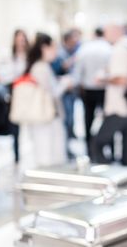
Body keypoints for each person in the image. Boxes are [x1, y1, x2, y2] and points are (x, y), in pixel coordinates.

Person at [91, 24, 127, 166]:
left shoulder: (120, 51)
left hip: (120, 106)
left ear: (116, 32)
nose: (105, 37)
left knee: (98, 143)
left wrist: (102, 79)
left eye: (106, 33)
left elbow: (123, 79)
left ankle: (107, 176)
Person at [22, 33, 71, 167]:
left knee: (50, 154)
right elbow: (52, 93)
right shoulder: (40, 67)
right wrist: (65, 83)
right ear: (44, 48)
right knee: (47, 156)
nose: (56, 52)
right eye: (53, 48)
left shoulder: (42, 66)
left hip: (49, 118)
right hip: (45, 118)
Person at [73, 27, 112, 157]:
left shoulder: (85, 48)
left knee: (88, 119)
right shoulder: (109, 48)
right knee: (107, 119)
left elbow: (78, 71)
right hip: (104, 89)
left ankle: (88, 149)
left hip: (88, 89)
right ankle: (108, 148)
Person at [52, 29, 82, 158]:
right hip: (63, 92)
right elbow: (55, 72)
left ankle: (68, 145)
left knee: (70, 119)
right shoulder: (59, 54)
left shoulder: (76, 50)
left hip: (71, 90)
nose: (75, 41)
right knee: (65, 121)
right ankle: (64, 148)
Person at [0, 29, 29, 163]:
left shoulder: (28, 55)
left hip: (27, 90)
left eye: (23, 38)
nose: (21, 41)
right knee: (15, 124)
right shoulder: (9, 55)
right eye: (19, 38)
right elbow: (4, 74)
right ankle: (16, 154)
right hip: (14, 89)